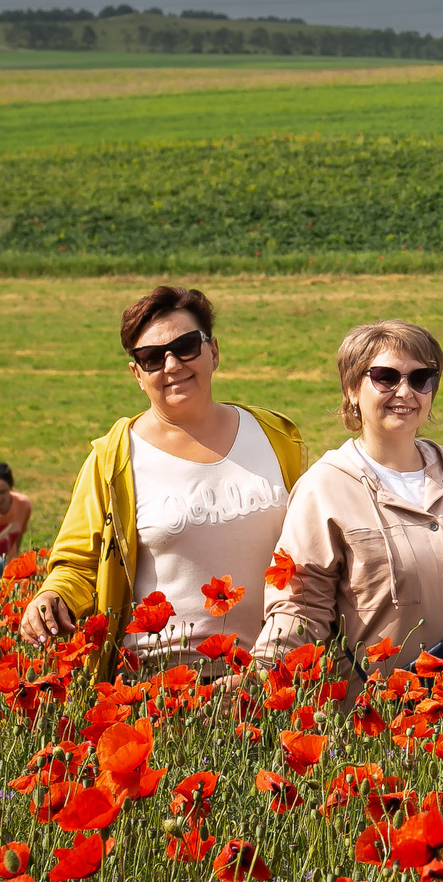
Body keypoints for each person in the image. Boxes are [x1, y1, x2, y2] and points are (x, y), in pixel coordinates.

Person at [20, 286, 309, 675]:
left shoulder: (276, 435)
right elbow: (79, 562)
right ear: (137, 374)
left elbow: (313, 544)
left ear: (214, 352)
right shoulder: (114, 459)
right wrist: (53, 595)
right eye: (152, 357)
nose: (172, 365)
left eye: (186, 345)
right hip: (159, 685)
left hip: (269, 675)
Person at [257, 320, 443, 678]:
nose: (405, 392)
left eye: (420, 378)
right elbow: (302, 606)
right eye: (386, 377)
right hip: (380, 714)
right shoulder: (324, 487)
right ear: (352, 388)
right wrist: (265, 673)